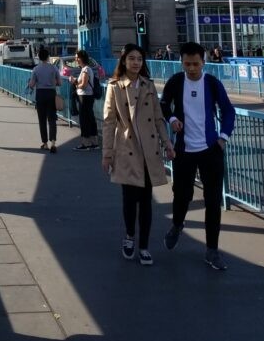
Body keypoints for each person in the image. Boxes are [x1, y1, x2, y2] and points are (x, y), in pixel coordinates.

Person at [160, 41, 236, 271]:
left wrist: (223, 138)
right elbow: (163, 104)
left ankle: (212, 250)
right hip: (184, 150)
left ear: (203, 62)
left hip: (210, 150)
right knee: (182, 195)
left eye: (195, 64)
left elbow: (228, 110)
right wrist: (172, 118)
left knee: (213, 201)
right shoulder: (176, 81)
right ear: (181, 62)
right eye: (187, 64)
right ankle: (177, 224)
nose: (191, 68)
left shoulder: (212, 83)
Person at [102, 45, 175, 265]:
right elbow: (108, 122)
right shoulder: (114, 86)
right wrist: (107, 154)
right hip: (127, 149)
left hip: (149, 152)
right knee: (129, 199)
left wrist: (167, 143)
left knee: (146, 201)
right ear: (124, 61)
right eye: (132, 58)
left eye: (140, 59)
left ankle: (143, 246)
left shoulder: (148, 85)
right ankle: (129, 236)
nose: (136, 62)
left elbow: (158, 118)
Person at [27, 46, 62, 153]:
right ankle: (53, 143)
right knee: (52, 119)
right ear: (48, 57)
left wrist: (31, 83)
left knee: (42, 120)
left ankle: (45, 143)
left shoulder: (36, 69)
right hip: (51, 94)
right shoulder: (54, 68)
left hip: (40, 94)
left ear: (39, 57)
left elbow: (31, 85)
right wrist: (52, 83)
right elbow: (60, 83)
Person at [74, 49, 99, 150]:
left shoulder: (85, 70)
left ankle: (86, 143)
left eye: (77, 57)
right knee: (90, 118)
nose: (76, 59)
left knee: (84, 120)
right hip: (88, 96)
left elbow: (83, 85)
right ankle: (94, 142)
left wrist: (75, 84)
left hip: (84, 97)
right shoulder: (87, 69)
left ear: (81, 58)